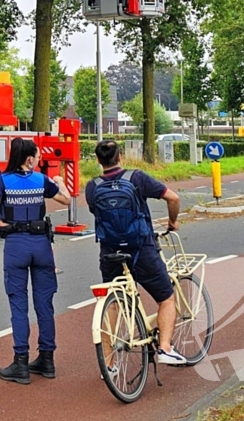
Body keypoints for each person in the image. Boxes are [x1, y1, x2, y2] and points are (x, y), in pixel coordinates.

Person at [0, 138, 74, 384]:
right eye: (38, 154)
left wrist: (0, 224)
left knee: (19, 306)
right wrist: (61, 182)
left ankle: (20, 363)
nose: (40, 157)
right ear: (29, 158)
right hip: (41, 245)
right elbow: (66, 199)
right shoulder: (41, 180)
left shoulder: (2, 181)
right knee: (44, 305)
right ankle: (47, 359)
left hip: (16, 246)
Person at [85, 139, 187, 366]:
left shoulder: (92, 186)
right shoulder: (137, 178)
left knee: (111, 303)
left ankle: (109, 364)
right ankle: (166, 349)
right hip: (142, 249)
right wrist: (172, 221)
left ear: (98, 160)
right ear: (120, 157)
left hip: (110, 252)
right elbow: (173, 198)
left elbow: (97, 213)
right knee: (166, 298)